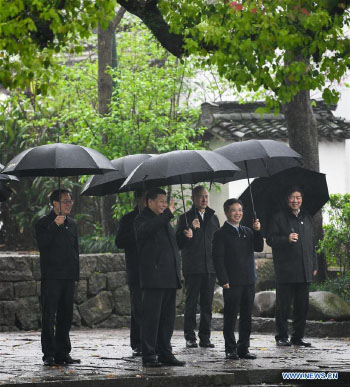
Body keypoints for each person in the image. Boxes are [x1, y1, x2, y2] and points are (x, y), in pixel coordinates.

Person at [134, 187, 186, 367]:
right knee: (151, 319)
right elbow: (144, 232)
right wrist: (167, 216)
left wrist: (185, 237)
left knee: (167, 319)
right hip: (154, 278)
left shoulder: (164, 221)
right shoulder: (142, 220)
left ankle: (165, 353)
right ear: (150, 202)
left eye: (166, 201)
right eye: (162, 201)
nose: (165, 204)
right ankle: (148, 355)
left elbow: (172, 246)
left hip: (170, 277)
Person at [266, 187, 318, 347]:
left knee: (302, 306)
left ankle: (298, 337)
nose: (295, 200)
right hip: (286, 270)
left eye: (298, 197)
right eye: (292, 197)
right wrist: (286, 239)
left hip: (304, 270)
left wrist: (314, 264)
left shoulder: (306, 217)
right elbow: (270, 240)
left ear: (302, 199)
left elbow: (311, 244)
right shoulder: (278, 217)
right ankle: (281, 336)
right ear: (287, 199)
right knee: (283, 306)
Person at [212, 198, 263, 360]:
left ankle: (244, 348)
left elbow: (259, 247)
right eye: (234, 210)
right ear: (226, 212)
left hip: (248, 280)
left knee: (247, 316)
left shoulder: (247, 231)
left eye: (240, 210)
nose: (238, 213)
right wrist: (223, 279)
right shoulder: (220, 234)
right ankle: (230, 349)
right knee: (231, 316)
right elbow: (218, 259)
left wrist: (257, 231)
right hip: (231, 282)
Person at [35, 189, 80, 366]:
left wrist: (76, 274)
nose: (69, 204)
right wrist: (55, 225)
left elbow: (75, 250)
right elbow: (42, 245)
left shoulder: (73, 224)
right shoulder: (43, 223)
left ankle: (63, 352)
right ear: (55, 203)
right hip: (52, 277)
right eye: (65, 201)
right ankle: (49, 354)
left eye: (70, 201)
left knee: (66, 316)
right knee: (49, 316)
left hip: (68, 277)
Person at [176, 186, 219, 348]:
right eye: (200, 197)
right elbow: (178, 243)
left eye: (206, 196)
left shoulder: (213, 218)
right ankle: (190, 337)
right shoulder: (185, 218)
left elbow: (218, 242)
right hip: (193, 267)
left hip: (210, 268)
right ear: (193, 198)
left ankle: (205, 338)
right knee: (191, 303)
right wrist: (189, 231)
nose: (204, 200)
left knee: (207, 305)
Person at [115, 189, 146, 357]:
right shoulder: (128, 219)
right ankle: (138, 343)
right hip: (136, 269)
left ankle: (152, 342)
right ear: (138, 199)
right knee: (138, 307)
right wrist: (136, 231)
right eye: (144, 197)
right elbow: (119, 241)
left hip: (153, 270)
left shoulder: (154, 218)